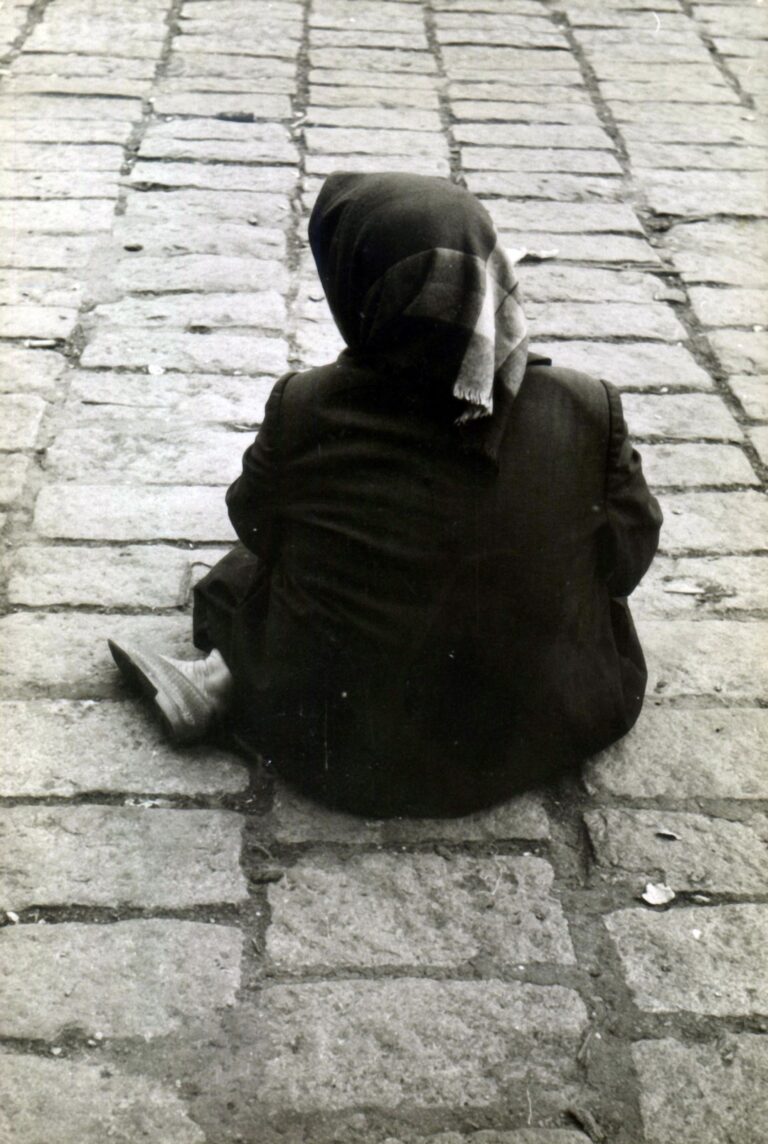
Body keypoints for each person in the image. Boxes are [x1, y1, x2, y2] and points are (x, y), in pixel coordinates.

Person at [108, 172, 662, 818]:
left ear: (357, 290)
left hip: (345, 749)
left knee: (249, 575)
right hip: (541, 725)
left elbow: (255, 525)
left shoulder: (308, 406)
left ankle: (218, 677)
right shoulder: (587, 405)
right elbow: (627, 559)